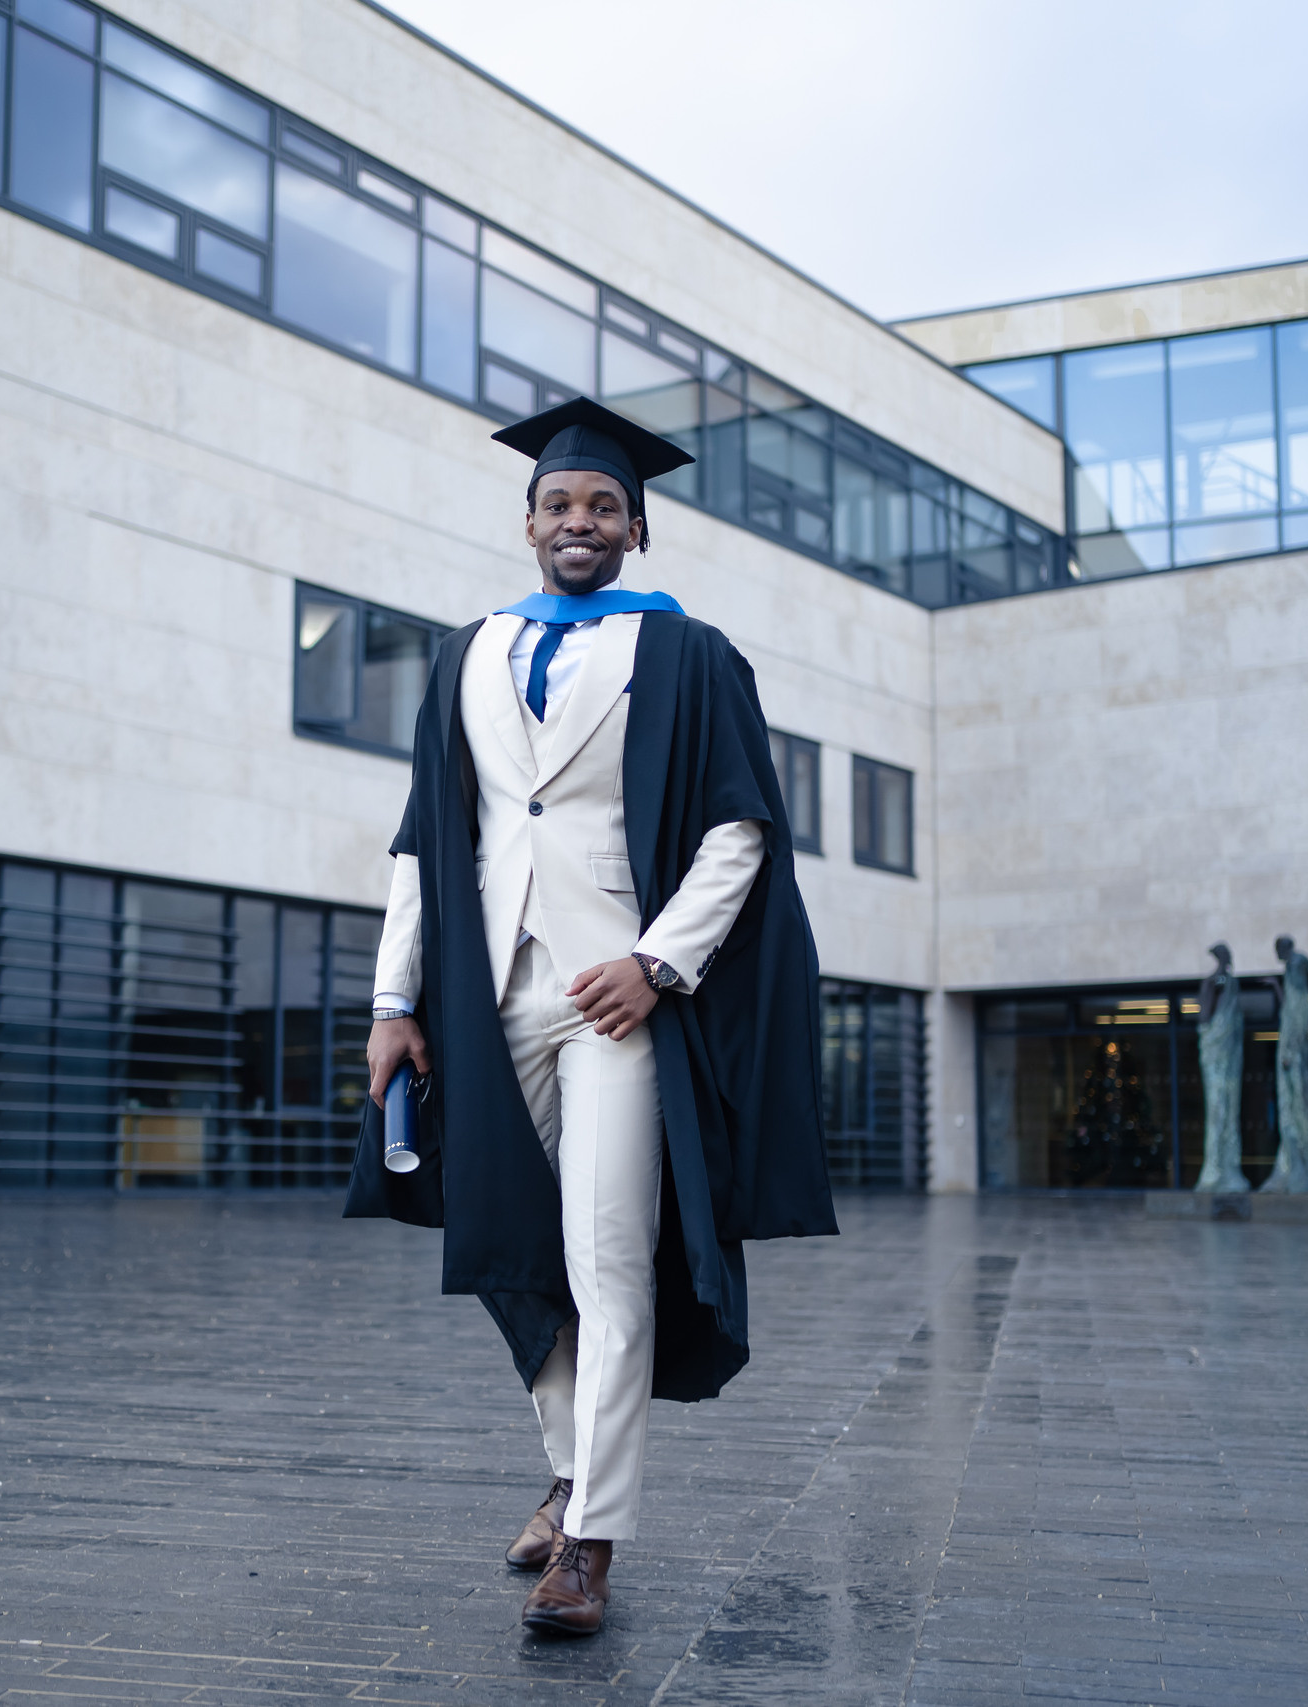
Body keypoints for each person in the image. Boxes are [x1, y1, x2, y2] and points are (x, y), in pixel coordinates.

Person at [344, 397, 837, 1638]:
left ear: (638, 527)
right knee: (508, 1249)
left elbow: (738, 830)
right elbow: (424, 842)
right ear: (527, 522)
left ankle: (592, 1543)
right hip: (485, 990)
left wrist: (659, 964)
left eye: (603, 506)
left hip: (612, 1000)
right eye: (560, 504)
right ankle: (567, 1467)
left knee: (610, 1262)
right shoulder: (464, 655)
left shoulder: (690, 655)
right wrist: (395, 1000)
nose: (581, 521)